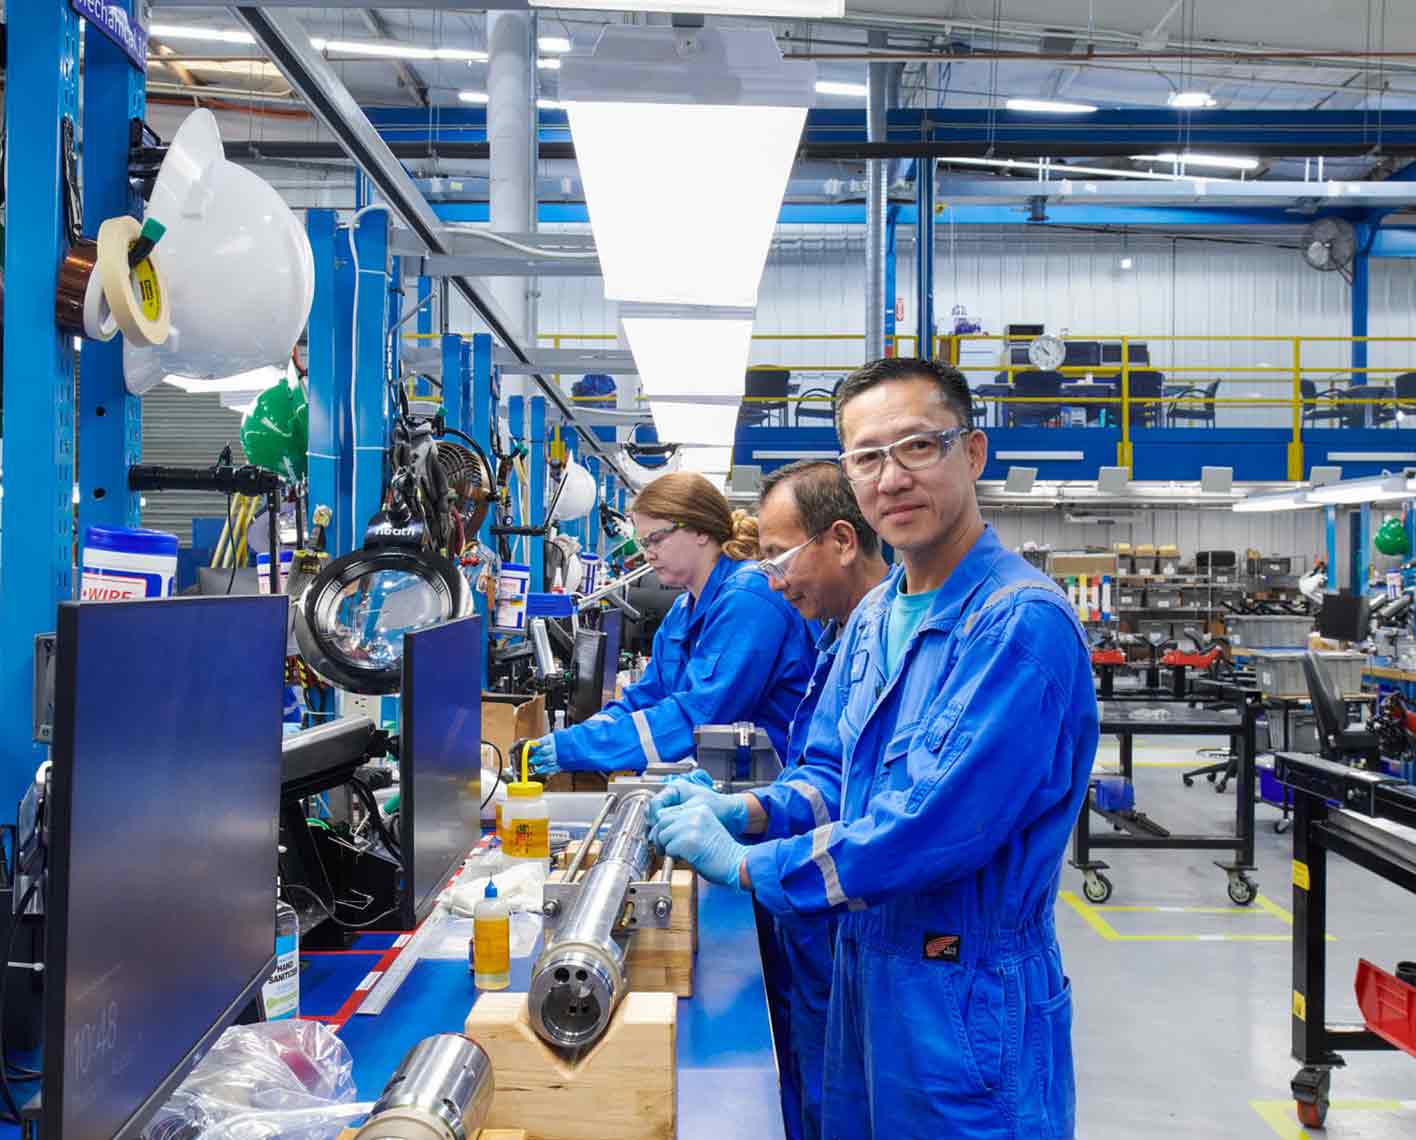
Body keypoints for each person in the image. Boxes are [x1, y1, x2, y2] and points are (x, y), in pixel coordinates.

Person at [649, 358, 1099, 1140]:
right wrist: (747, 810)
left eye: (918, 446)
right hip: (867, 969)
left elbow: (925, 829)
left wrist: (751, 866)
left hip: (965, 999)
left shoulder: (1019, 626)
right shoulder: (873, 617)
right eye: (866, 457)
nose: (891, 478)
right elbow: (833, 774)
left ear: (973, 453)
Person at [521, 471, 817, 776]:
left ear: (701, 531)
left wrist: (577, 749)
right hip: (722, 778)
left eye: (657, 539)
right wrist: (572, 739)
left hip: (772, 783)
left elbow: (700, 714)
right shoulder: (681, 612)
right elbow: (645, 697)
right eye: (643, 542)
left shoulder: (749, 598)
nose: (648, 554)